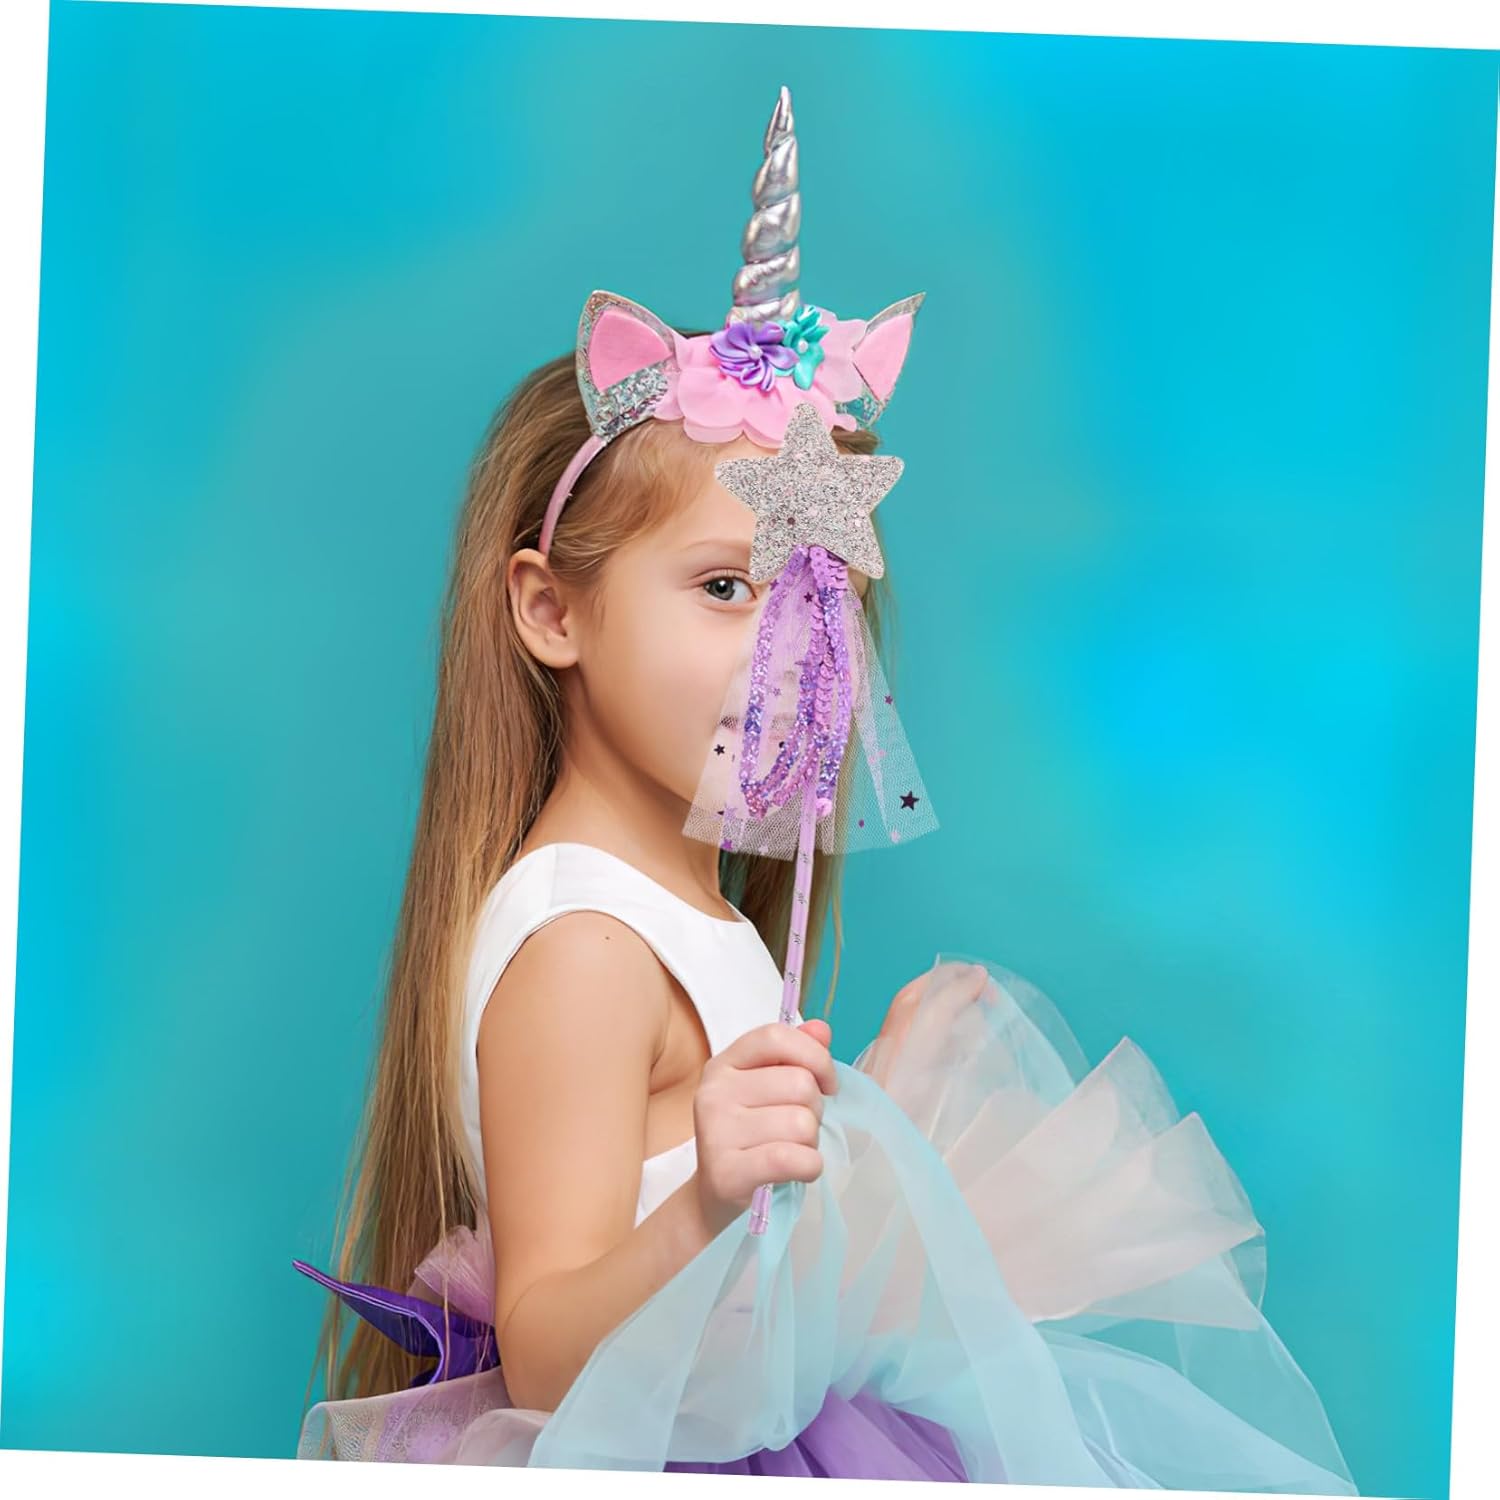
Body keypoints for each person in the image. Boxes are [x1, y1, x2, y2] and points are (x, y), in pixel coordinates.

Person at [291, 87, 1358, 1490]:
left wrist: (872, 1110)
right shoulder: (583, 942)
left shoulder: (688, 917)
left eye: (816, 601)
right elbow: (548, 1353)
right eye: (724, 588)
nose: (791, 652)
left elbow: (770, 1272)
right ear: (552, 612)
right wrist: (711, 1198)